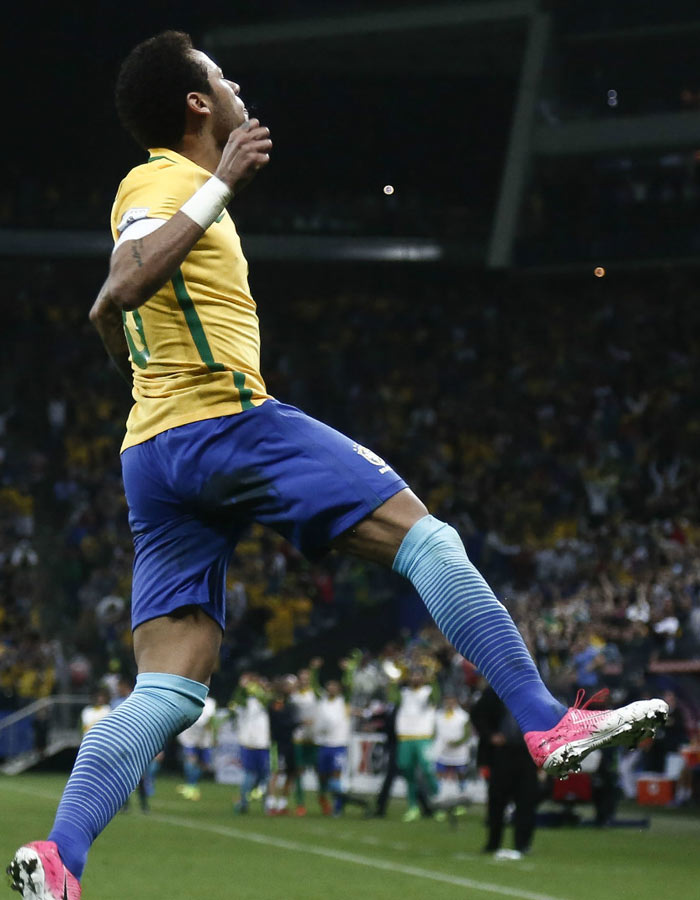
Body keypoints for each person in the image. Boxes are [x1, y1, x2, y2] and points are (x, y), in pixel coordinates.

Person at [7, 29, 669, 900]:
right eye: (219, 75)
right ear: (197, 104)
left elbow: (109, 306)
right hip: (222, 422)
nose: (235, 84)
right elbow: (123, 284)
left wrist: (121, 336)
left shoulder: (161, 193)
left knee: (168, 688)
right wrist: (220, 183)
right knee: (427, 540)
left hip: (154, 454)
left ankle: (59, 859)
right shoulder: (163, 179)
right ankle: (547, 724)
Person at [472, 686, 539, 859]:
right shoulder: (495, 690)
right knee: (497, 800)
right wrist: (490, 735)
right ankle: (493, 842)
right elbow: (477, 715)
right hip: (501, 752)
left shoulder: (534, 689)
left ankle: (523, 843)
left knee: (526, 800)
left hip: (527, 752)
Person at [393, 670, 440, 822]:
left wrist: (432, 679)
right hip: (405, 737)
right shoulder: (404, 693)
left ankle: (439, 804)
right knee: (408, 772)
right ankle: (412, 807)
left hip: (423, 737)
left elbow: (436, 698)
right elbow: (391, 698)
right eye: (413, 675)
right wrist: (394, 681)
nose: (415, 677)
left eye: (418, 675)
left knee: (427, 770)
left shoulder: (429, 691)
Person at [290, 660, 321, 815]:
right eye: (302, 678)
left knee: (320, 771)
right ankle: (300, 803)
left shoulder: (315, 693)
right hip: (299, 738)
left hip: (313, 737)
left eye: (307, 678)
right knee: (299, 771)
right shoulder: (293, 696)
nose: (304, 681)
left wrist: (315, 670)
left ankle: (323, 798)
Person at [176, 694, 217, 801]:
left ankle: (192, 784)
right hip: (190, 738)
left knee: (204, 765)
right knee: (191, 761)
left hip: (205, 740)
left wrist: (213, 736)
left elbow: (210, 721)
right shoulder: (188, 700)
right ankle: (190, 785)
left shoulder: (210, 703)